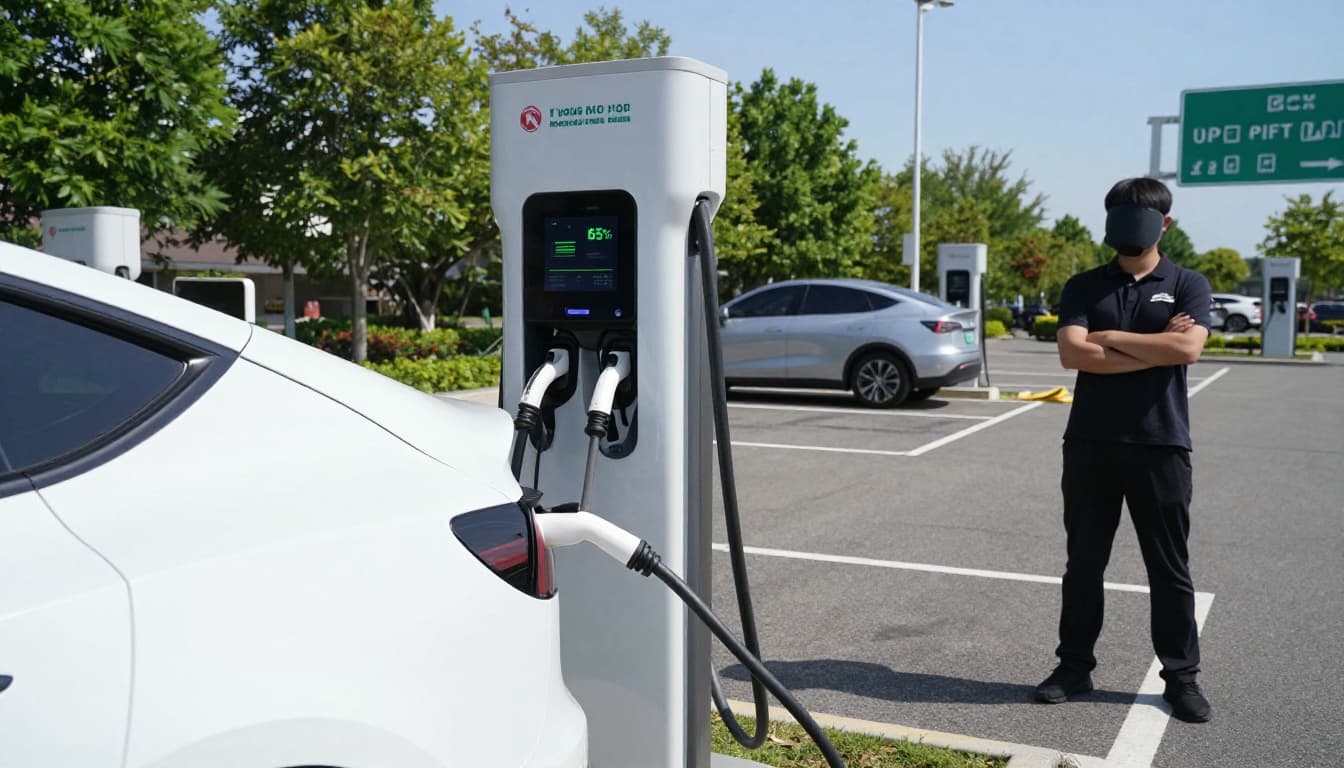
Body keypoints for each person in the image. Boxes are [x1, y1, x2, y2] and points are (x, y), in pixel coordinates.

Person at [1034, 177, 1213, 723]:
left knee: (1169, 567)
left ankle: (1181, 678)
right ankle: (1074, 668)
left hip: (1161, 445)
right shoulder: (1085, 284)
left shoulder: (1187, 284)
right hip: (1090, 443)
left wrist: (1107, 337)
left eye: (1139, 216)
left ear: (1166, 224)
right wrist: (1154, 350)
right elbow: (1071, 355)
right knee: (1084, 563)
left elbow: (1188, 347)